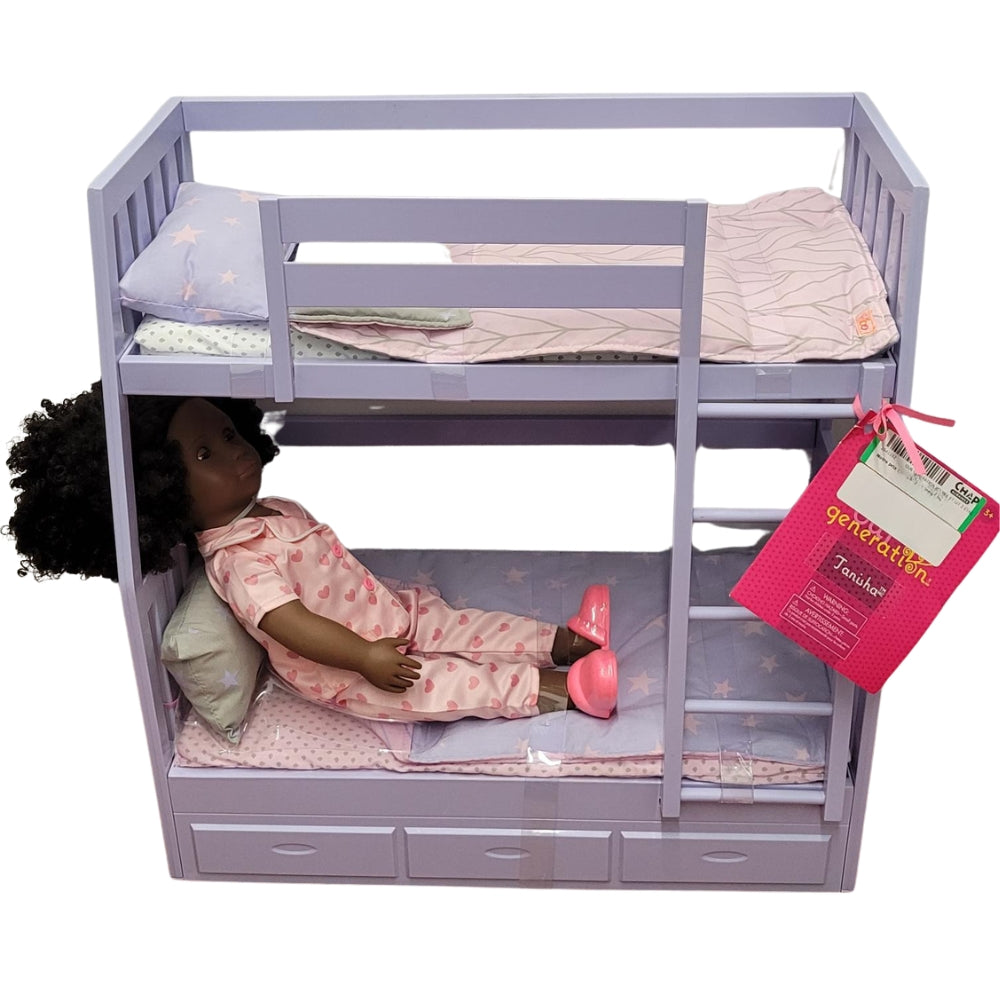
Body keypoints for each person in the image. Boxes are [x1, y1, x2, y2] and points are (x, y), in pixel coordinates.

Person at [7, 385, 617, 722]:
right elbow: (290, 623)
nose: (234, 450)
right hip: (345, 666)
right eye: (204, 455)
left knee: (465, 625)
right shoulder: (236, 560)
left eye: (228, 433)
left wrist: (383, 623)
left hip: (388, 615)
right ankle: (561, 690)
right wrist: (364, 658)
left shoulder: (269, 508)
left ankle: (566, 642)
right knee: (443, 685)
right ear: (160, 493)